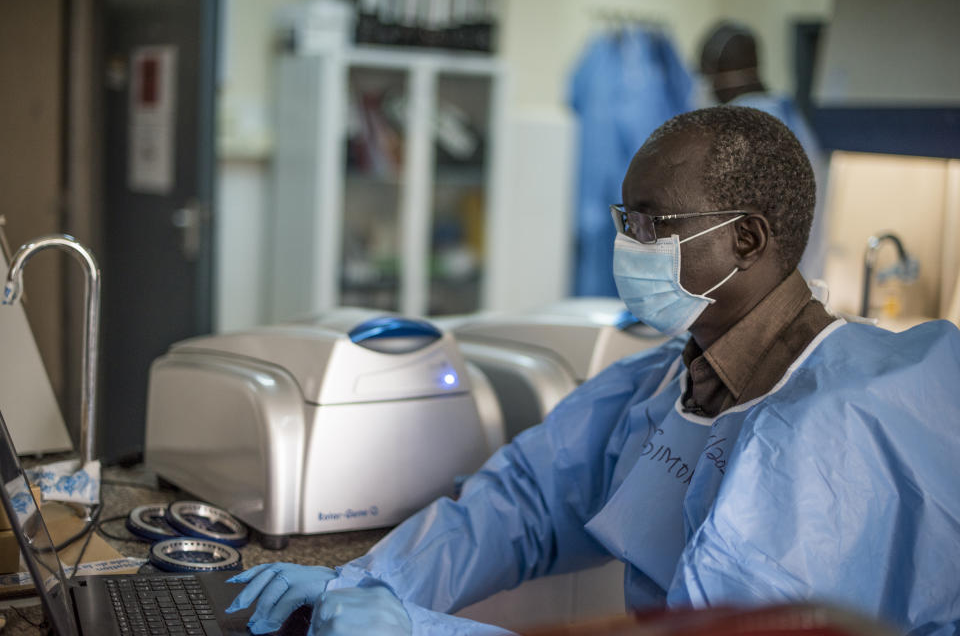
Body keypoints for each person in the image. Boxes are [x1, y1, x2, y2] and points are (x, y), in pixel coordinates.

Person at [226, 106, 960, 635]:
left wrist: (420, 632)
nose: (627, 244)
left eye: (651, 224)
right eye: (623, 219)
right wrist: (362, 582)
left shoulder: (834, 437)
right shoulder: (669, 379)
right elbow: (525, 503)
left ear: (746, 239)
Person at [699, 21, 830, 281]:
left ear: (718, 71)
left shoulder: (737, 127)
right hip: (801, 283)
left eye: (703, 73)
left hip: (760, 293)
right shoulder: (790, 115)